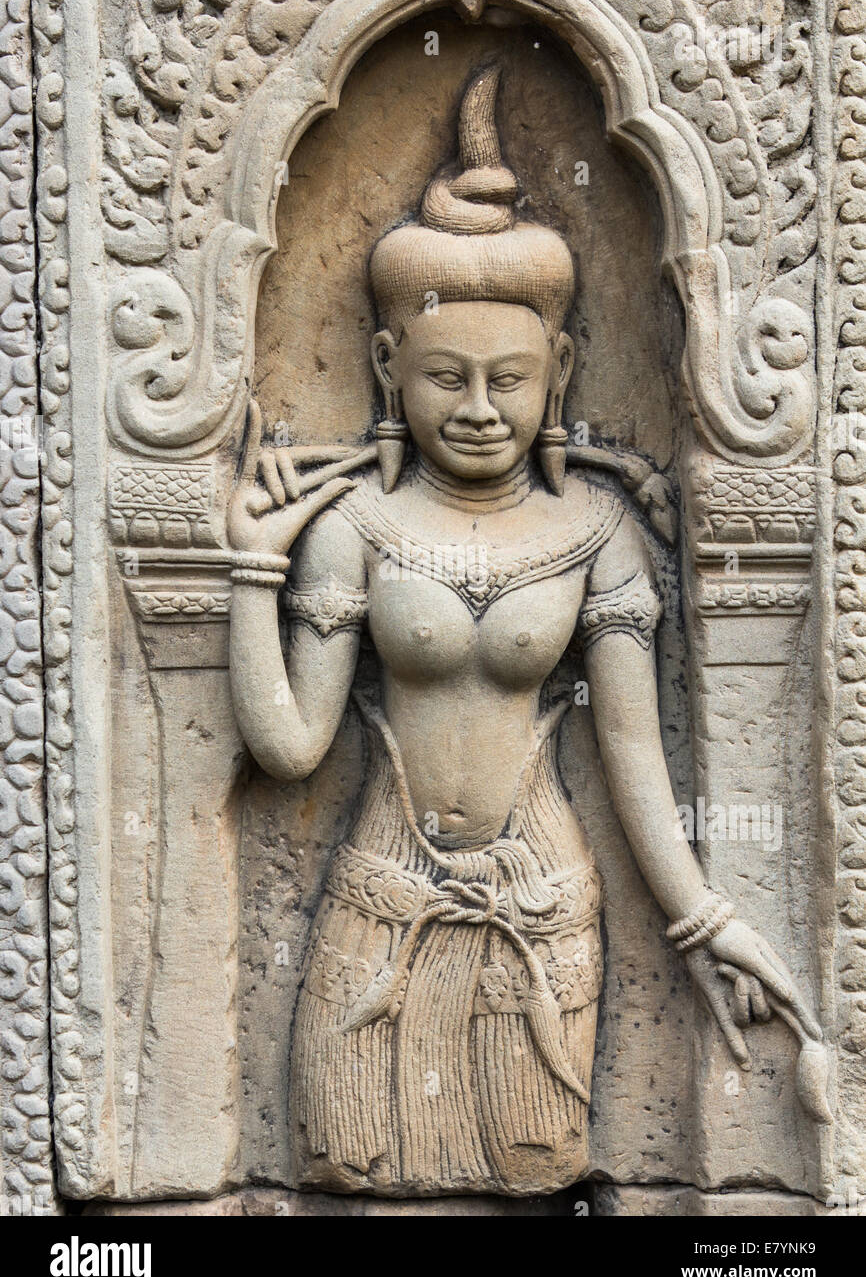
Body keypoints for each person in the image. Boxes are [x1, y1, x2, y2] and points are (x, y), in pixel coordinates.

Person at [227, 66, 824, 1196]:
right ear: (387, 370)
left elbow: (632, 754)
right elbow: (290, 747)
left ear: (558, 372)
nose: (478, 407)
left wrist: (704, 922)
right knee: (359, 1183)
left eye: (508, 378)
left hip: (537, 910)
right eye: (444, 376)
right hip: (378, 906)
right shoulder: (354, 523)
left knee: (532, 1186)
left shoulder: (595, 531)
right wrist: (255, 559)